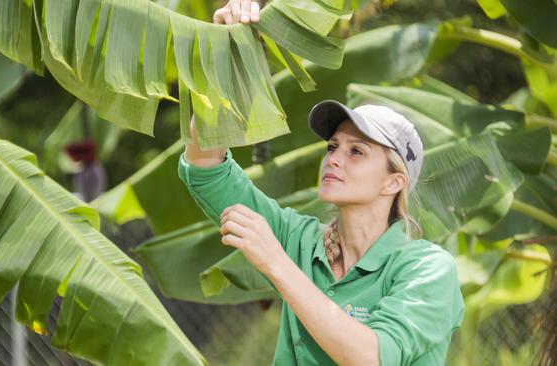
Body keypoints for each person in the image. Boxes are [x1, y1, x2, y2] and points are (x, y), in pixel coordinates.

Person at [178, 1, 465, 365]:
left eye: (357, 151)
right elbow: (206, 167)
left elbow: (372, 357)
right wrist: (223, 58)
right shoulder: (299, 240)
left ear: (393, 183)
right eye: (333, 147)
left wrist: (277, 264)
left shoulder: (427, 268)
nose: (333, 158)